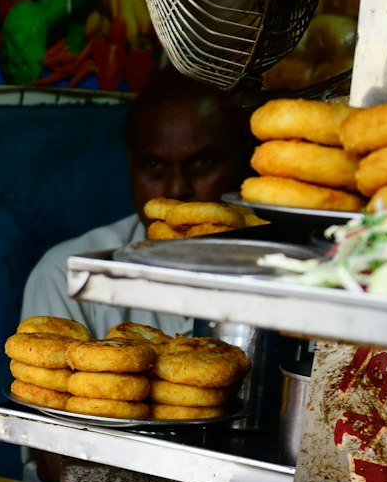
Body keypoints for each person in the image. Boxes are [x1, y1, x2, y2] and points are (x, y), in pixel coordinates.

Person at [21, 70, 247, 339]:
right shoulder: (66, 275)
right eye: (154, 165)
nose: (176, 189)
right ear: (132, 165)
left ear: (241, 162)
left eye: (202, 163)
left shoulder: (287, 276)